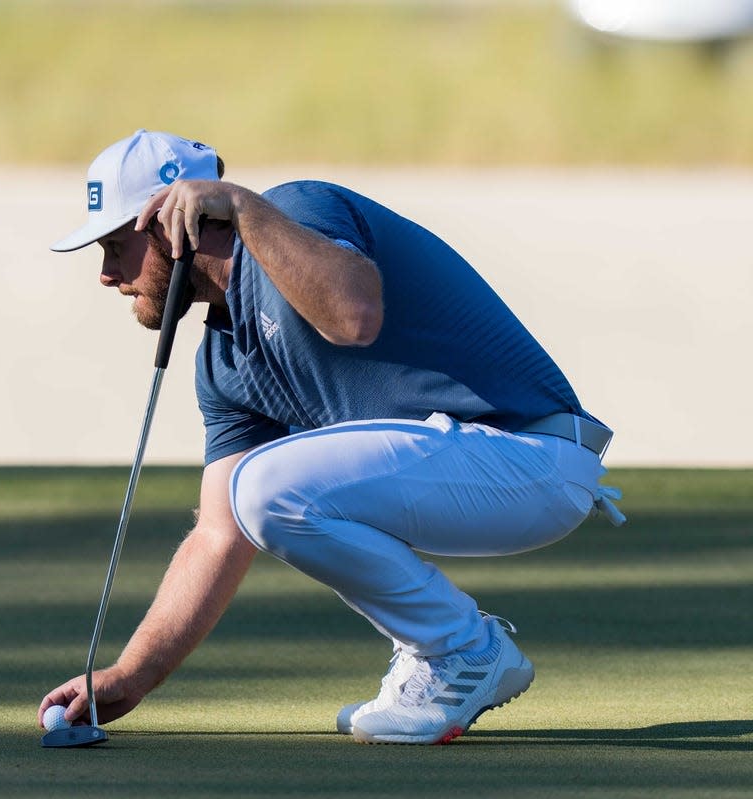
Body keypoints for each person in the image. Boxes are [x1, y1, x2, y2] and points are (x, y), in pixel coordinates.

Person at [38, 129, 624, 745]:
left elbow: (353, 317)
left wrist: (241, 205)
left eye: (113, 246)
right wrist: (134, 674)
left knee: (262, 485)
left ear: (171, 223)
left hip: (532, 456)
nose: (106, 275)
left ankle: (462, 651)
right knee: (253, 493)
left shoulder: (296, 210)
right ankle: (444, 651)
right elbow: (218, 535)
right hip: (483, 474)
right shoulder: (225, 362)